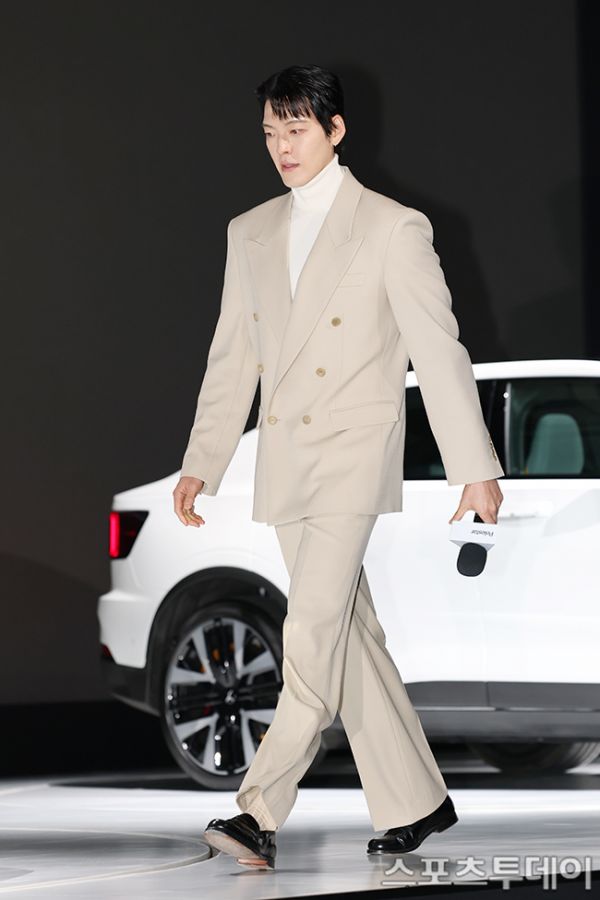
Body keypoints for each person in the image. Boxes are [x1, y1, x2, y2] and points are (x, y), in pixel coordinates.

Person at [172, 64, 504, 870]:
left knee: (313, 630)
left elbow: (438, 349)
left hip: (353, 455)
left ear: (335, 129)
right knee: (347, 634)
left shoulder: (392, 227)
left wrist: (475, 466)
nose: (282, 147)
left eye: (296, 130)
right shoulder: (249, 231)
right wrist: (201, 461)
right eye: (270, 133)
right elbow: (233, 357)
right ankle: (417, 801)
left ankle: (258, 812)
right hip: (287, 458)